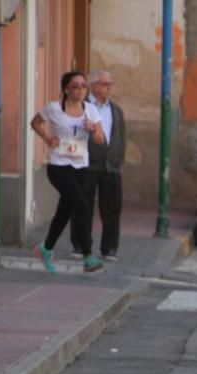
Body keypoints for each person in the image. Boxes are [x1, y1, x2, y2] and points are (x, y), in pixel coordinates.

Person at [31, 70, 106, 274]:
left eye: (84, 86)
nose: (81, 90)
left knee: (65, 211)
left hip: (81, 167)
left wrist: (93, 129)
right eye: (76, 86)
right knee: (82, 206)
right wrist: (47, 138)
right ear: (66, 89)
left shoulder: (91, 110)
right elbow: (35, 122)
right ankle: (88, 256)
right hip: (58, 166)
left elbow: (101, 139)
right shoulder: (54, 108)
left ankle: (46, 248)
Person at [71, 70, 125, 261]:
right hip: (87, 164)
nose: (108, 87)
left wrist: (117, 159)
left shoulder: (116, 110)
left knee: (111, 208)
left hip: (110, 166)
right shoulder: (82, 107)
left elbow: (120, 137)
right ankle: (79, 245)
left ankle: (109, 248)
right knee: (83, 205)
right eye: (104, 84)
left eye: (110, 84)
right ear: (93, 86)